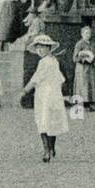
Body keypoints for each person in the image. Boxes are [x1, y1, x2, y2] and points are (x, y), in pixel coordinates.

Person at [19, 34, 68, 162]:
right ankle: (51, 148)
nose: (40, 50)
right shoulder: (55, 61)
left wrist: (24, 91)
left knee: (43, 121)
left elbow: (35, 79)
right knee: (52, 120)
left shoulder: (43, 62)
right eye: (38, 48)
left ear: (48, 48)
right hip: (55, 95)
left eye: (42, 47)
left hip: (45, 95)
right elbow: (61, 80)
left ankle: (47, 150)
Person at [72, 25, 95, 112]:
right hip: (82, 68)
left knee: (90, 85)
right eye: (86, 33)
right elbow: (75, 57)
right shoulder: (79, 44)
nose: (88, 35)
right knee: (82, 85)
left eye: (89, 33)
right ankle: (80, 104)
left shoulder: (92, 44)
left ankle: (88, 103)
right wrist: (84, 59)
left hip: (90, 69)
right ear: (82, 34)